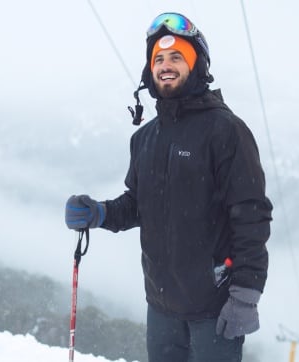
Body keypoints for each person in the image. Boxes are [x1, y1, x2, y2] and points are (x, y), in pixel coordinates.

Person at [65, 12, 272, 362]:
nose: (166, 65)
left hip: (215, 308)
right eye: (158, 58)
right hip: (160, 307)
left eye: (177, 56)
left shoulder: (225, 130)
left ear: (197, 64)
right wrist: (99, 213)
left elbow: (251, 215)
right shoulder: (145, 138)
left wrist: (246, 296)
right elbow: (138, 204)